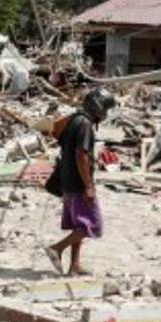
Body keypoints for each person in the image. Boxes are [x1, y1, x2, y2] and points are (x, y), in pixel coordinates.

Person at [45, 87, 116, 277]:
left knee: (79, 225)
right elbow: (81, 155)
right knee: (92, 225)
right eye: (106, 109)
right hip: (78, 183)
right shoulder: (84, 124)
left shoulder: (74, 120)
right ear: (98, 107)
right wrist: (88, 186)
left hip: (67, 181)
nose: (105, 114)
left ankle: (74, 265)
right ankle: (56, 249)